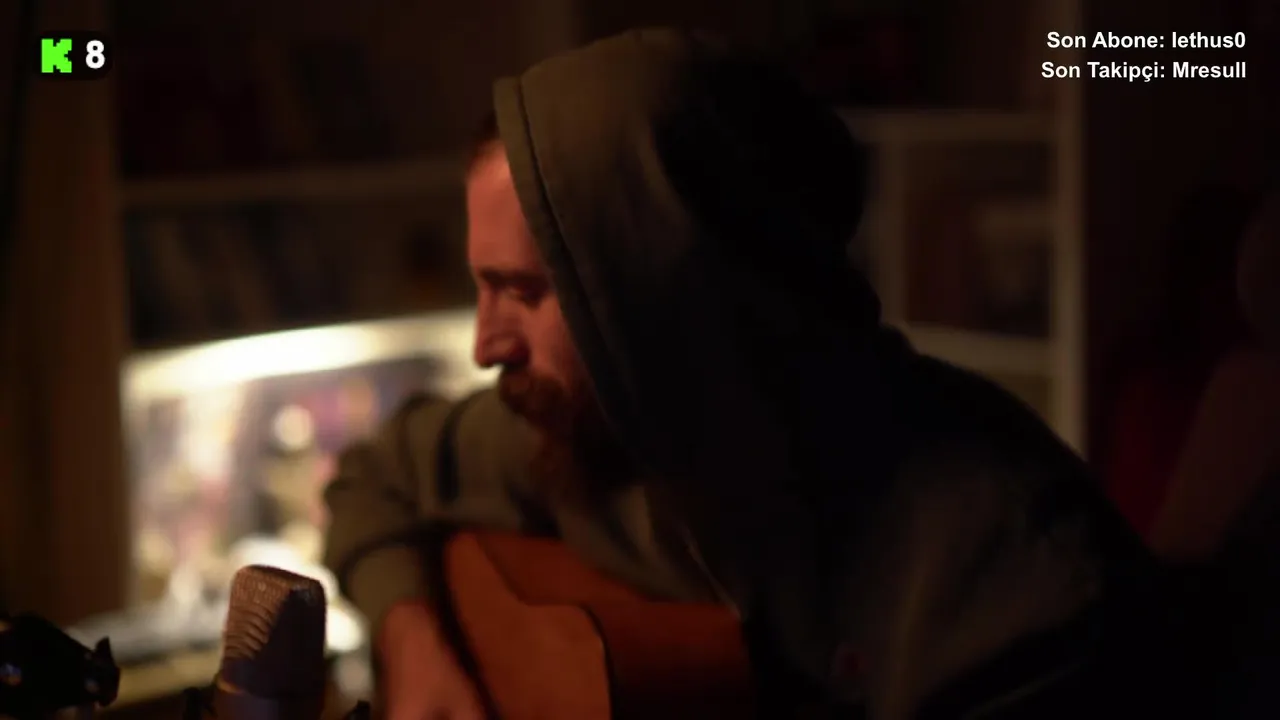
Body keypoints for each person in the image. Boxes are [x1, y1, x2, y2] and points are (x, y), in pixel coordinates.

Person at [323, 28, 1189, 719]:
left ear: (672, 294)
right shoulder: (598, 434)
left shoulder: (1018, 595)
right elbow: (373, 476)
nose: (484, 347)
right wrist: (414, 644)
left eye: (522, 291)